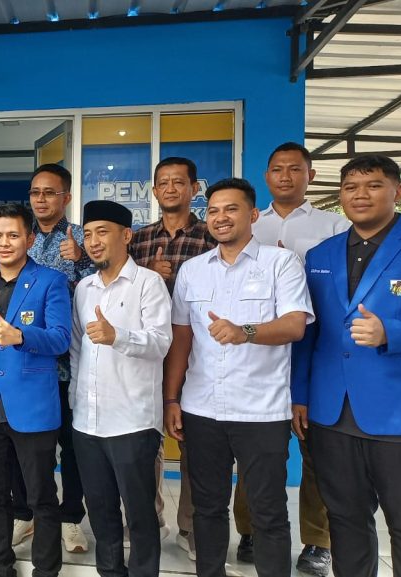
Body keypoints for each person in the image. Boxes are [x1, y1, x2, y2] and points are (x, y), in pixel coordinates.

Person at [292, 154, 401, 577]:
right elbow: (310, 333)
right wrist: (300, 395)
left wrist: (392, 333)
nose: (360, 195)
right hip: (333, 414)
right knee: (345, 522)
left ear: (397, 191)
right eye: (350, 187)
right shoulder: (321, 254)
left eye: (373, 185)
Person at [164, 177, 312, 577]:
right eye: (213, 210)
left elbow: (295, 325)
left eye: (231, 209)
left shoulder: (280, 263)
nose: (221, 217)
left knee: (268, 511)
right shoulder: (193, 270)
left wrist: (245, 331)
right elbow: (182, 339)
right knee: (207, 508)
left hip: (261, 411)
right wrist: (171, 398)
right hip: (201, 409)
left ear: (253, 214)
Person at [235, 142, 349, 576]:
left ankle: (318, 541)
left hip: (314, 344)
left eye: (295, 169)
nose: (285, 176)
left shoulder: (333, 225)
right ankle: (250, 531)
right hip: (253, 351)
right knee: (256, 454)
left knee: (316, 451)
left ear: (310, 176)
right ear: (266, 176)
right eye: (277, 169)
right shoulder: (251, 221)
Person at [0, 202, 72, 577]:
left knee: (41, 496)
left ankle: (46, 570)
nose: (4, 243)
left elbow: (61, 339)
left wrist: (20, 336)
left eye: (12, 235)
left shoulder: (51, 281)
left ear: (30, 238)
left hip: (33, 407)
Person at [71, 200, 172, 577]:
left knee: (140, 513)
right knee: (100, 510)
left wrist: (118, 336)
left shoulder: (148, 283)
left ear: (126, 235)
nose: (93, 242)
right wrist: (76, 400)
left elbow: (161, 342)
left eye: (102, 232)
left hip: (133, 421)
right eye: (87, 234)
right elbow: (77, 347)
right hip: (88, 421)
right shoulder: (84, 288)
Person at [129, 156, 217, 560]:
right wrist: (149, 272)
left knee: (194, 440)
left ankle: (191, 526)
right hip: (147, 353)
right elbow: (123, 288)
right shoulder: (139, 239)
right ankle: (148, 519)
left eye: (178, 182)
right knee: (146, 439)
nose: (170, 188)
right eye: (163, 182)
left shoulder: (210, 235)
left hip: (198, 352)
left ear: (194, 189)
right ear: (154, 190)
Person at [10, 163, 92, 553]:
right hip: (27, 363)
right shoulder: (20, 237)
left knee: (72, 447)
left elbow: (108, 281)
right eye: (35, 192)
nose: (41, 199)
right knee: (26, 446)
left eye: (49, 192)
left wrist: (82, 258)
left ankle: (71, 518)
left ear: (67, 197)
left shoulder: (83, 237)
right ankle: (26, 513)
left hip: (72, 364)